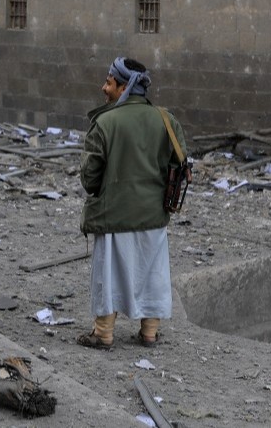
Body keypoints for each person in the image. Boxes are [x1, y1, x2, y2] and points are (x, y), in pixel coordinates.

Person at [77, 56, 186, 350]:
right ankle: (149, 333)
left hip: (114, 217)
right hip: (153, 216)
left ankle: (103, 334)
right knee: (151, 273)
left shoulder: (105, 122)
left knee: (109, 275)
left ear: (124, 87)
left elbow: (90, 178)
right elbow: (180, 162)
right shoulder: (166, 119)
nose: (104, 88)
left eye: (109, 83)